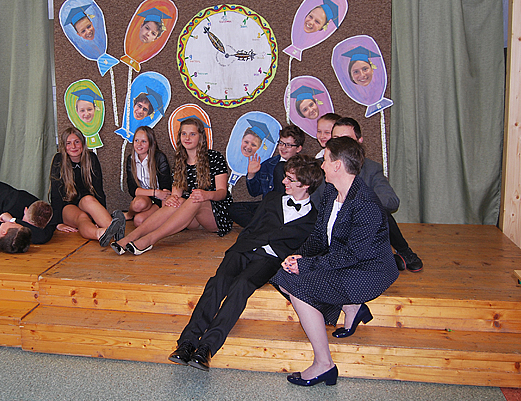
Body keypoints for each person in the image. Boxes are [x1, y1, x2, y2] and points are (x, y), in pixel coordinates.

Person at [168, 155, 323, 371]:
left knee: (241, 286)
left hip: (269, 259)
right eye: (285, 177)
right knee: (218, 282)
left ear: (305, 185)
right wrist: (239, 247)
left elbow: (308, 250)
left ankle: (207, 348)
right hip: (244, 249)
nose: (283, 181)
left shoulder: (313, 219)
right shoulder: (272, 198)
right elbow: (252, 226)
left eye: (290, 179)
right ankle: (187, 343)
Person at [271, 136, 399, 386]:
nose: (322, 165)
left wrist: (306, 266)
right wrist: (299, 256)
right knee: (282, 275)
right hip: (343, 263)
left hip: (367, 271)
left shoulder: (366, 204)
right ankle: (351, 306)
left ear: (338, 165)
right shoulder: (331, 192)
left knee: (298, 286)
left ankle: (324, 364)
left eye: (326, 160)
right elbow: (320, 236)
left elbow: (352, 255)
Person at [110, 116, 232, 256]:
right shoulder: (180, 161)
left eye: (192, 134)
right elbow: (176, 193)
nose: (187, 138)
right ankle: (130, 238)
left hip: (215, 215)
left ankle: (149, 240)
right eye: (183, 134)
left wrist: (206, 195)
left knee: (195, 198)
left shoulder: (215, 157)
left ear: (201, 137)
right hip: (192, 217)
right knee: (176, 201)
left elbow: (222, 193)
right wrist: (172, 198)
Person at [316, 117, 423, 272]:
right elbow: (314, 203)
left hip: (361, 228)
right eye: (336, 139)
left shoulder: (372, 168)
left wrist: (358, 205)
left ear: (359, 141)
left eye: (347, 139)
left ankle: (404, 251)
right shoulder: (321, 166)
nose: (341, 144)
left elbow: (391, 201)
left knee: (381, 211)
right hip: (330, 228)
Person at [49, 127, 125, 248]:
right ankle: (100, 234)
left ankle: (114, 231)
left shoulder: (91, 158)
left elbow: (98, 191)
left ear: (83, 143)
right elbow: (55, 194)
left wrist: (98, 218)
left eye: (77, 142)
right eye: (68, 143)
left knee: (89, 199)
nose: (73, 146)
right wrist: (57, 223)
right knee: (82, 217)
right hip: (67, 205)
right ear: (64, 146)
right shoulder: (59, 160)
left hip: (85, 201)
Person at [229, 124, 306, 228]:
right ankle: (263, 229)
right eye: (281, 143)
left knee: (280, 167)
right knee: (233, 208)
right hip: (268, 206)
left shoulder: (305, 166)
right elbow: (254, 192)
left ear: (298, 148)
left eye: (288, 145)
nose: (283, 148)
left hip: (289, 208)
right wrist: (251, 174)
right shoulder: (269, 164)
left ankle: (261, 228)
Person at [124, 126, 173, 226]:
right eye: (136, 140)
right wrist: (155, 193)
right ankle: (129, 215)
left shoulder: (159, 158)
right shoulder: (131, 159)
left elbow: (166, 188)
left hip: (159, 199)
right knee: (138, 204)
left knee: (139, 221)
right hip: (144, 197)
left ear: (151, 143)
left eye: (143, 141)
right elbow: (132, 189)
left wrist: (164, 213)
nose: (139, 144)